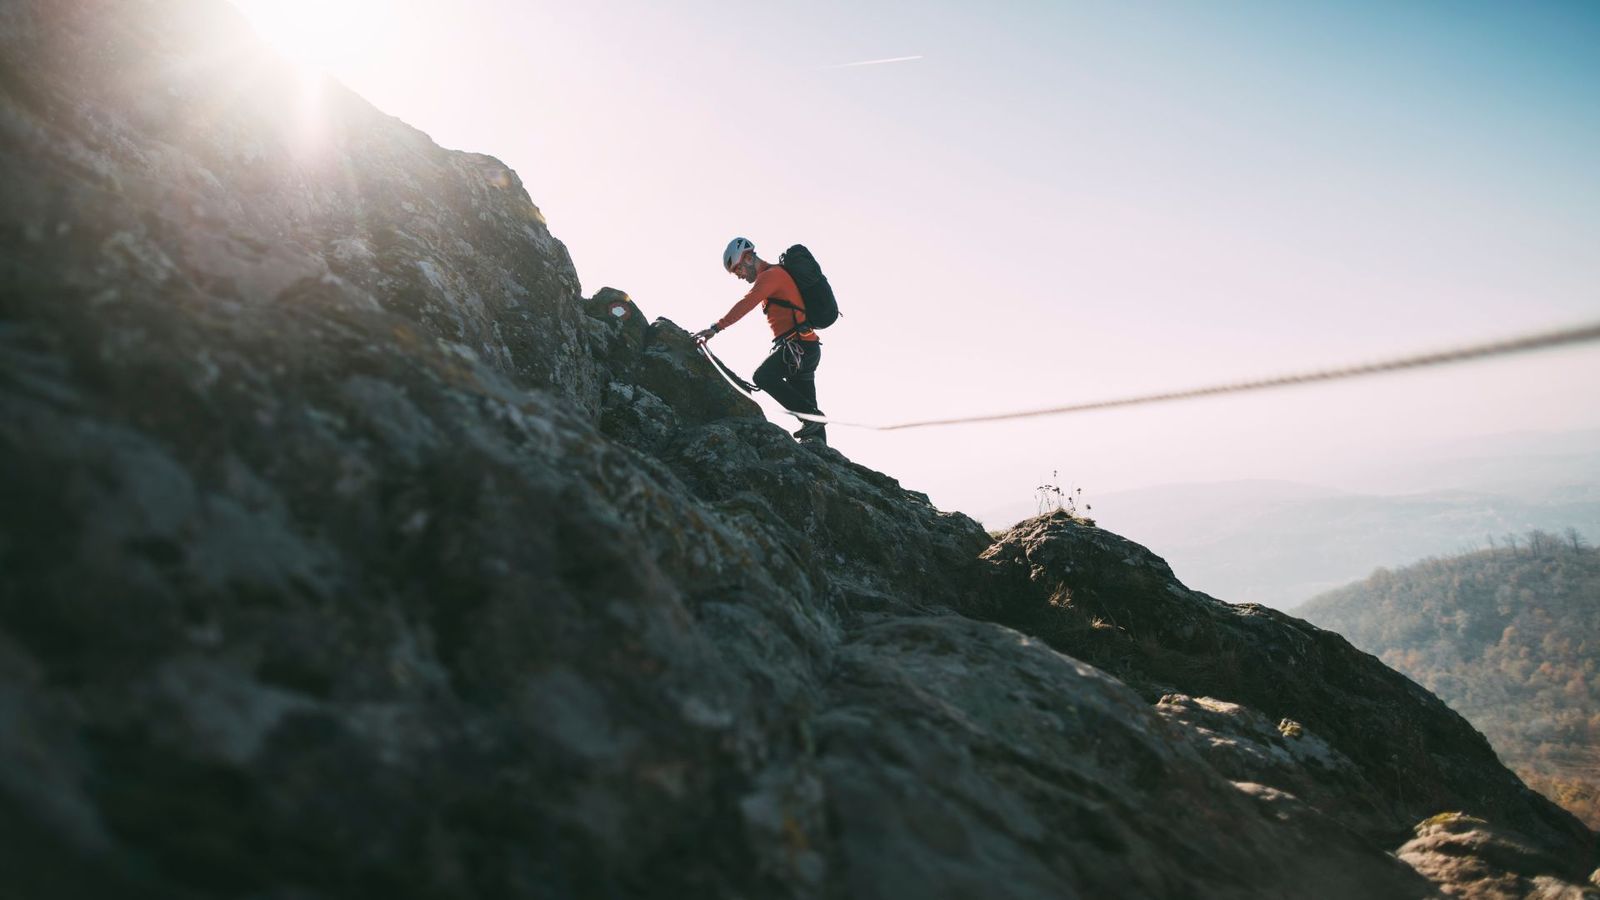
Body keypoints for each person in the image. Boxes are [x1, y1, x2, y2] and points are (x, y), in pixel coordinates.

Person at [694, 237, 826, 445]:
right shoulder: (775, 275)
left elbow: (747, 303)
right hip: (805, 348)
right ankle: (821, 450)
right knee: (810, 411)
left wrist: (715, 328)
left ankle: (812, 420)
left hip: (797, 347)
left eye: (738, 270)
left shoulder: (770, 276)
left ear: (747, 258)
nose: (739, 276)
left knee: (763, 377)